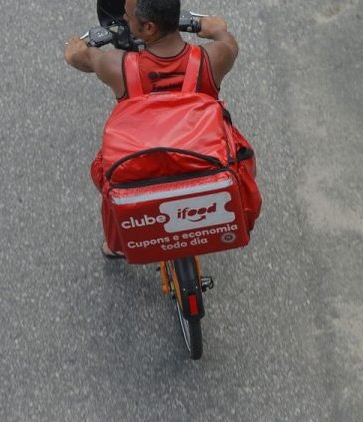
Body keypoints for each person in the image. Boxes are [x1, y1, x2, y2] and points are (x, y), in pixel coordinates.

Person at [64, 0, 261, 258]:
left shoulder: (117, 66)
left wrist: (76, 49)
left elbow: (78, 57)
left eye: (128, 16)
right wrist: (217, 29)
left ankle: (117, 245)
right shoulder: (214, 58)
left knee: (105, 170)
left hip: (141, 166)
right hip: (204, 159)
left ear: (148, 28)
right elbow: (228, 41)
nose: (124, 16)